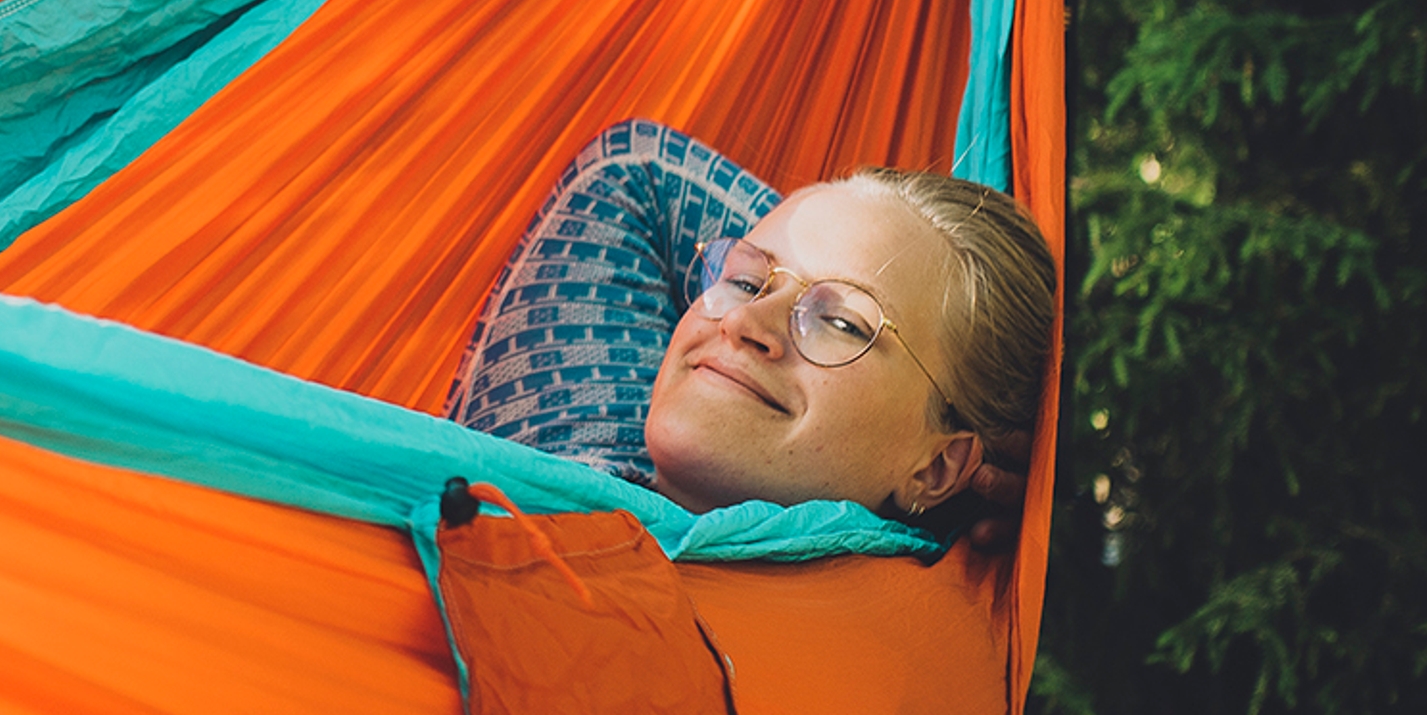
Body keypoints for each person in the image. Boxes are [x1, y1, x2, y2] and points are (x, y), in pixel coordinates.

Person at [448, 122, 1054, 535]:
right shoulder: (551, 463)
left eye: (842, 321)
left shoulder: (903, 658)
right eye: (743, 279)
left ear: (938, 468)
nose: (742, 320)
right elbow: (634, 171)